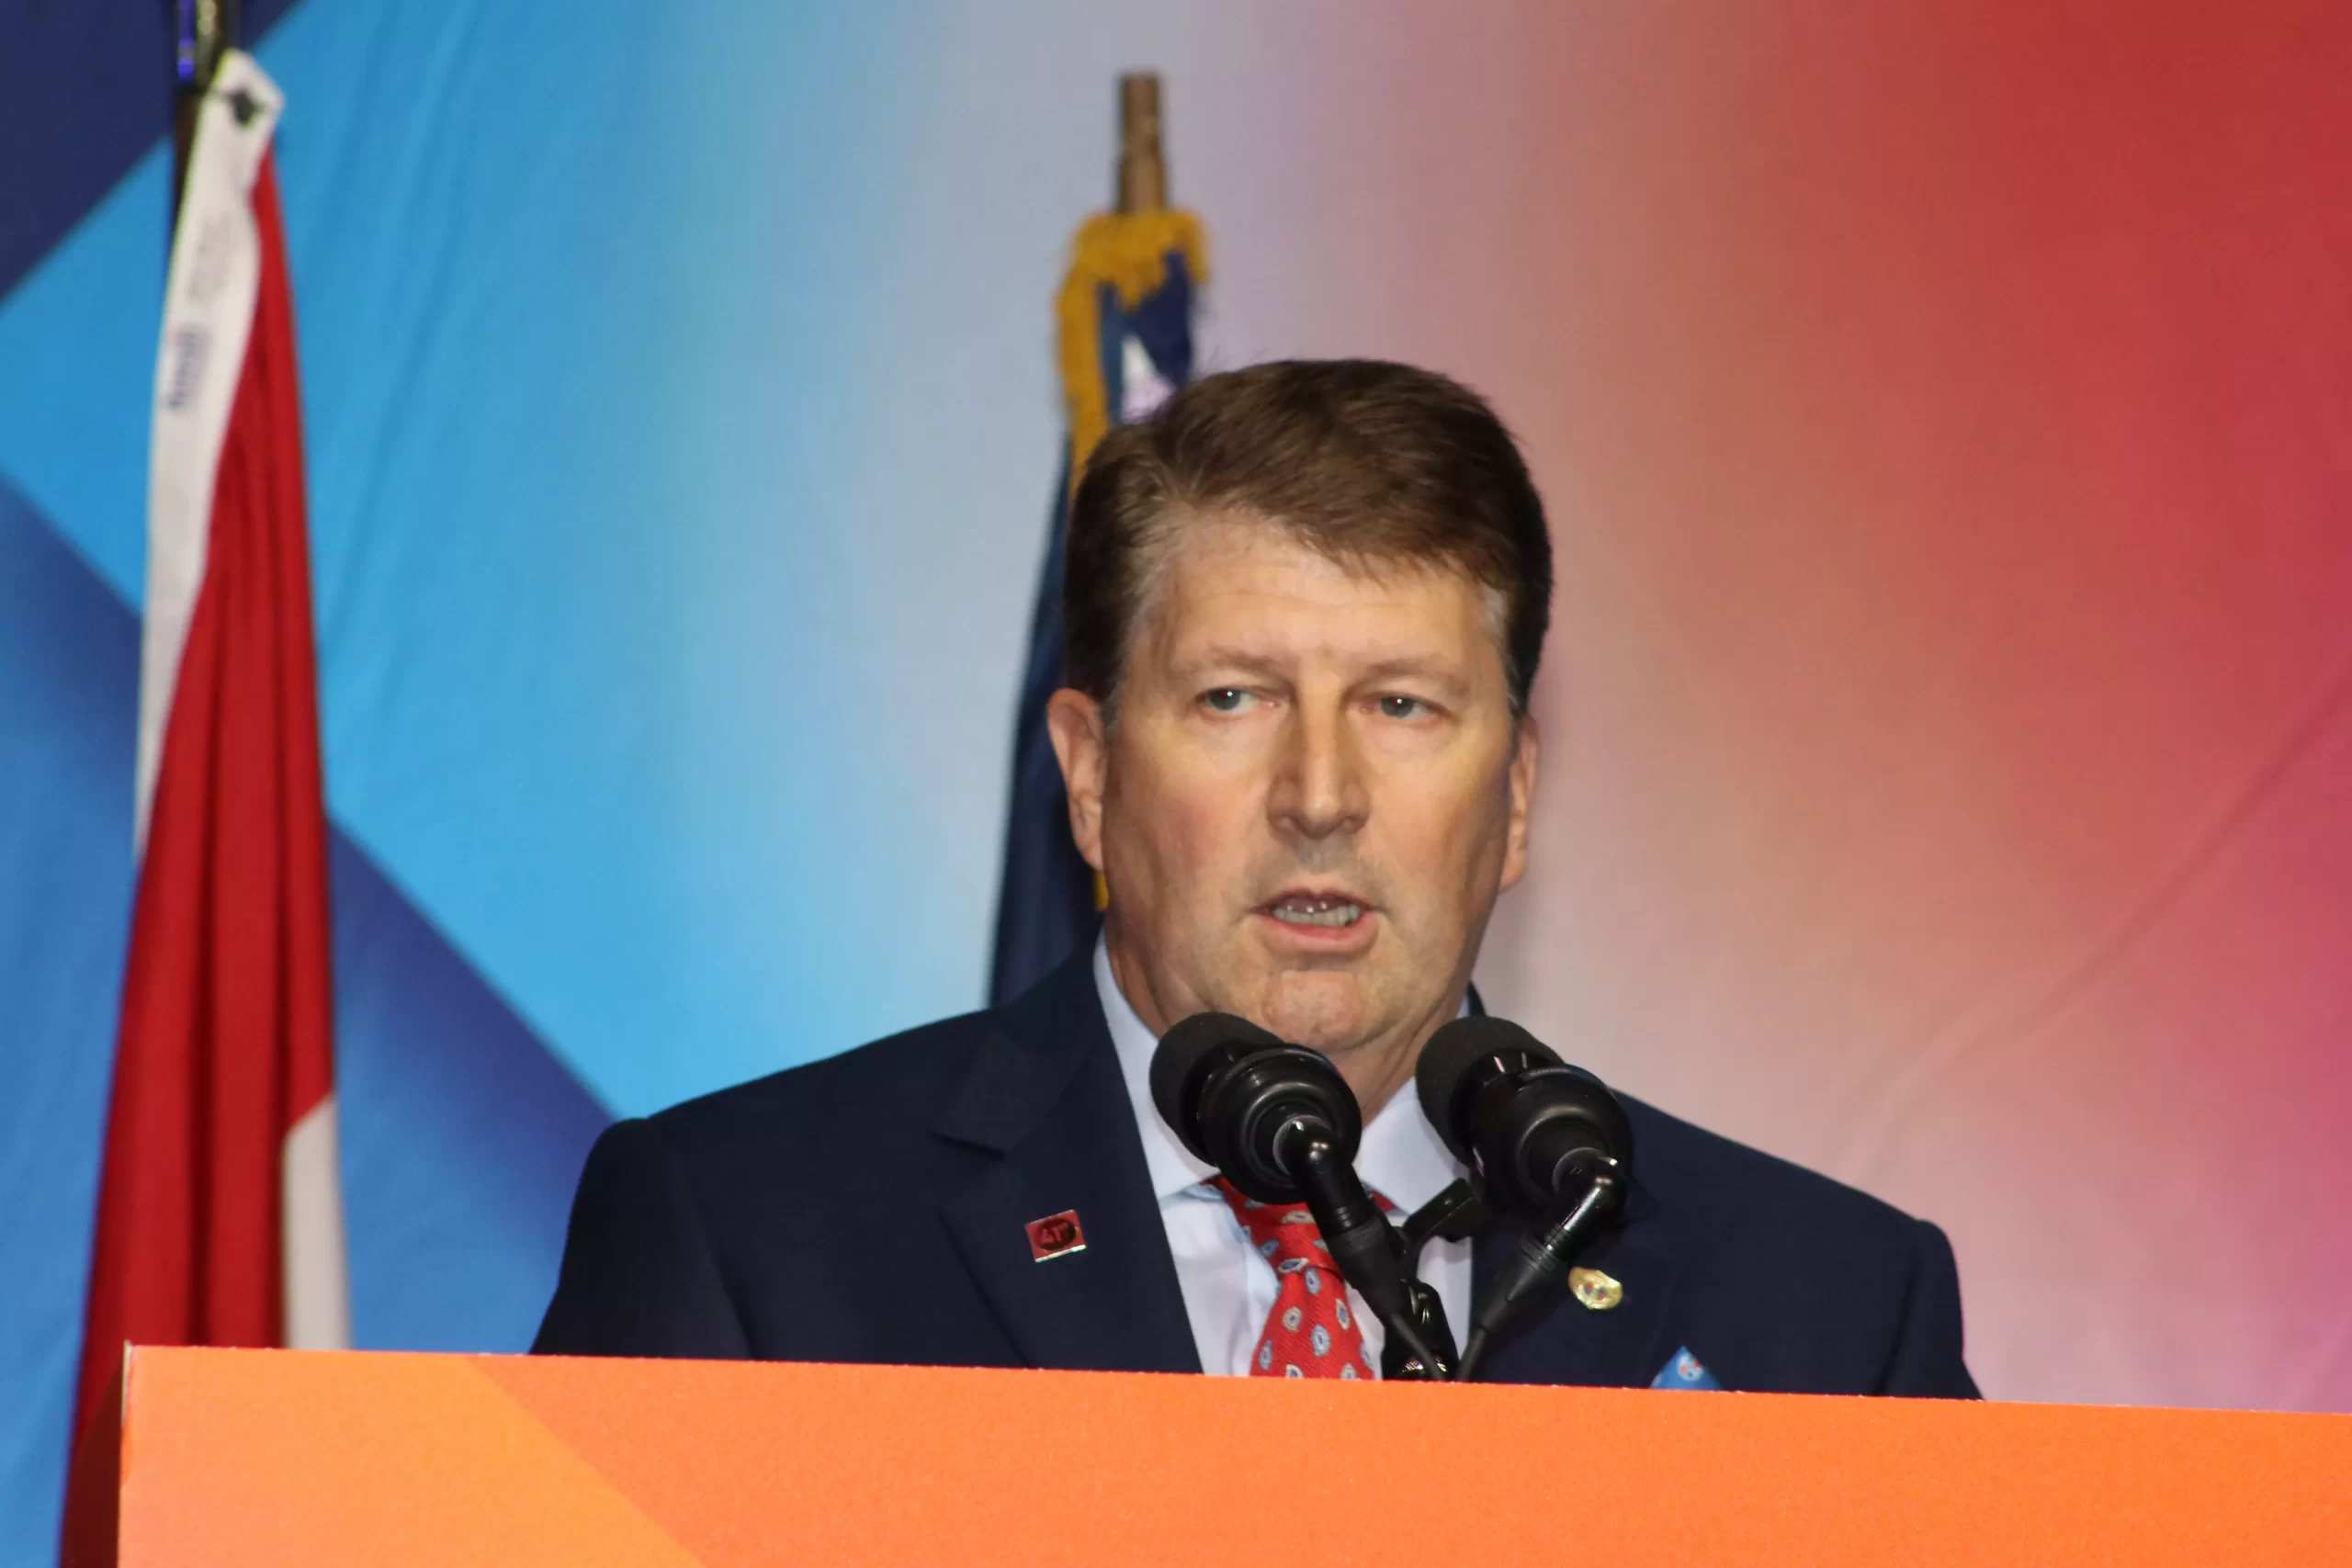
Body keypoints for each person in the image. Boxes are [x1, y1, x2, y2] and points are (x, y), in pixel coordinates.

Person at [534, 359, 1977, 1395]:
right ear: (1090, 775)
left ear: (1518, 795)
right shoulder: (751, 1241)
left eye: (1403, 705)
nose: (1321, 795)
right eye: (1234, 698)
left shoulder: (1829, 1316)